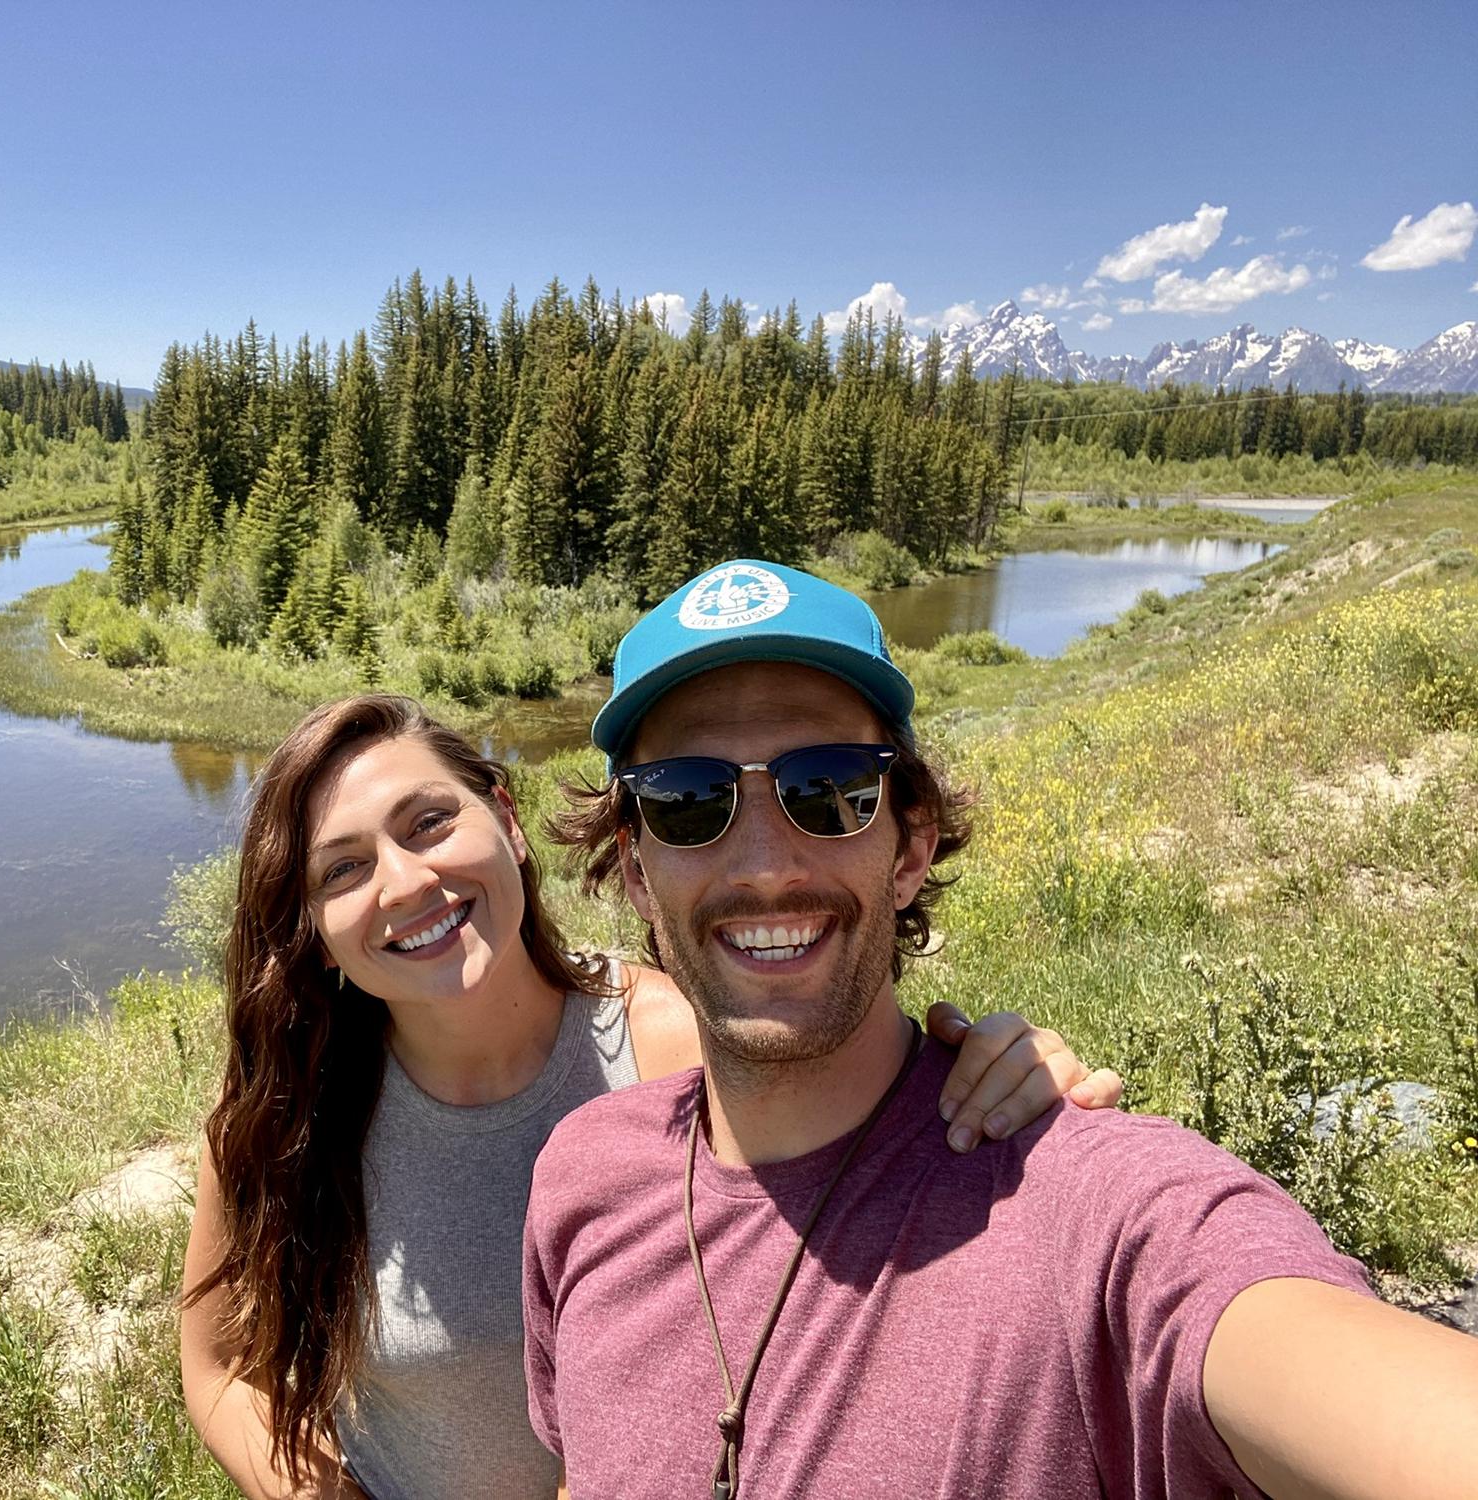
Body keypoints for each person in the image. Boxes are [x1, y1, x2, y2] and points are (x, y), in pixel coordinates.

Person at [522, 559, 1478, 1500]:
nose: (767, 863)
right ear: (638, 873)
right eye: (689, 801)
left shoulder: (1088, 1212)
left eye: (831, 787)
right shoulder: (585, 1178)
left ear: (913, 847)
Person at [179, 693, 1123, 1500]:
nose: (405, 881)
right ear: (310, 923)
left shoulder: (683, 1045)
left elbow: (867, 1102)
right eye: (342, 868)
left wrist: (1014, 1082)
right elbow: (218, 1365)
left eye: (429, 822)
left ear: (506, 815)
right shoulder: (287, 1110)